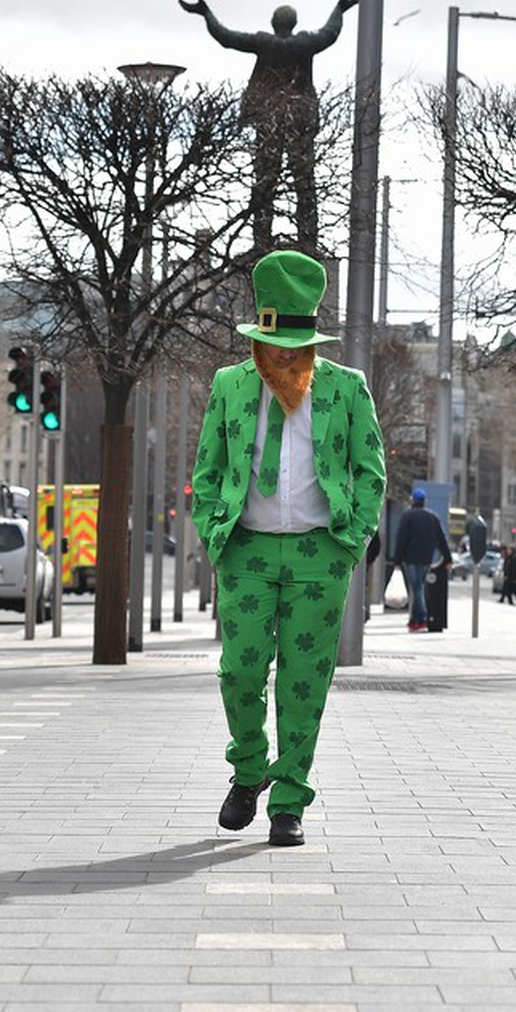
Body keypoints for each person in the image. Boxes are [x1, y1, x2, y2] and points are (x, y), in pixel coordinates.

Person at [190, 249, 385, 849]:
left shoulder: (347, 389)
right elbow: (207, 468)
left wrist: (350, 544)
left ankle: (288, 799)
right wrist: (212, 535)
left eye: (296, 343)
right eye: (276, 342)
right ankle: (248, 771)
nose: (284, 354)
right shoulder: (230, 384)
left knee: (305, 680)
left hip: (318, 555)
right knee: (241, 671)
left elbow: (370, 470)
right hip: (245, 550)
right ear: (258, 334)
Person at [179, 0, 359, 251]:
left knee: (264, 183)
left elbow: (226, 37)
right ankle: (307, 241)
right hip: (299, 118)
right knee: (305, 184)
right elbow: (330, 33)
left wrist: (206, 13)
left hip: (268, 120)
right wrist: (339, 9)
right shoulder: (305, 43)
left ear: (274, 24)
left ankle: (261, 242)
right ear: (294, 24)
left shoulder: (264, 43)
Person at [391, 489, 448, 633]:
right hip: (426, 559)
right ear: (424, 501)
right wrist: (448, 558)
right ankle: (415, 620)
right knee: (419, 587)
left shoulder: (407, 516)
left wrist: (397, 559)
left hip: (410, 559)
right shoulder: (433, 517)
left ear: (413, 500)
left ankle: (421, 618)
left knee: (416, 589)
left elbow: (401, 539)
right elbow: (441, 540)